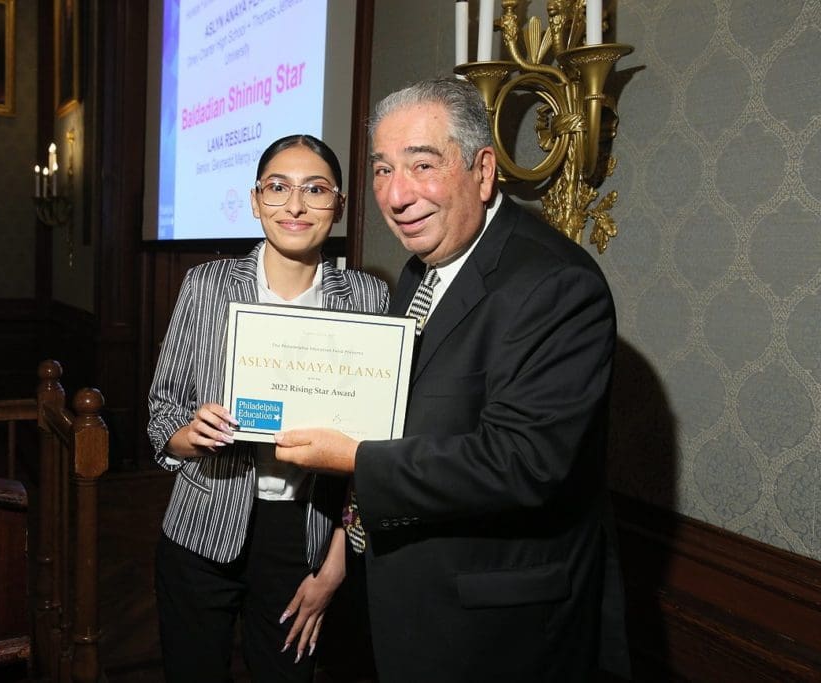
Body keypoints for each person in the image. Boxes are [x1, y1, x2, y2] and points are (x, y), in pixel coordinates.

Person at [274, 78, 630, 681]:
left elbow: (523, 462)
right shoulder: (421, 272)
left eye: (422, 164)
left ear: (483, 170)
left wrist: (357, 459)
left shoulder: (556, 284)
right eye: (383, 170)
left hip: (494, 635)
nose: (396, 194)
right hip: (403, 605)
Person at [148, 134, 389, 682]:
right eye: (278, 188)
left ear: (340, 205)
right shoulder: (206, 286)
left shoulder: (370, 299)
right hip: (201, 528)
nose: (296, 206)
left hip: (304, 537)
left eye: (315, 189)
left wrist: (335, 567)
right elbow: (161, 414)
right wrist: (192, 432)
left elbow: (376, 458)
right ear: (256, 201)